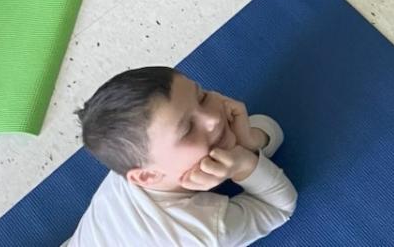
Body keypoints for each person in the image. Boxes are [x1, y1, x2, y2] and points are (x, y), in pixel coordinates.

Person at [68, 66, 297, 246]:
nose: (213, 119)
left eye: (202, 97)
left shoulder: (140, 157)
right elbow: (279, 208)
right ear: (147, 177)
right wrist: (243, 164)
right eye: (187, 129)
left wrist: (247, 141)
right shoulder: (202, 232)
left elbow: (271, 128)